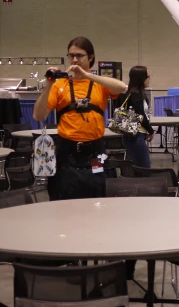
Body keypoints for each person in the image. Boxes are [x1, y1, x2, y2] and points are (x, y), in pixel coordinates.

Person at [33, 37, 127, 200]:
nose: (74, 60)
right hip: (66, 153)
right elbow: (38, 115)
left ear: (91, 57)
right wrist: (49, 84)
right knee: (64, 197)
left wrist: (87, 75)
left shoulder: (99, 84)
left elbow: (122, 87)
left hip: (96, 152)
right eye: (71, 56)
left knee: (98, 193)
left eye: (79, 55)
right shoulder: (59, 85)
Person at [115, 66, 155, 168]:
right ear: (142, 78)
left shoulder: (133, 93)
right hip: (135, 137)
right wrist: (151, 131)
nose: (149, 78)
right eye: (148, 76)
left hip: (134, 136)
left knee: (139, 167)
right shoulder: (136, 95)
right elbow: (140, 116)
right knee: (144, 169)